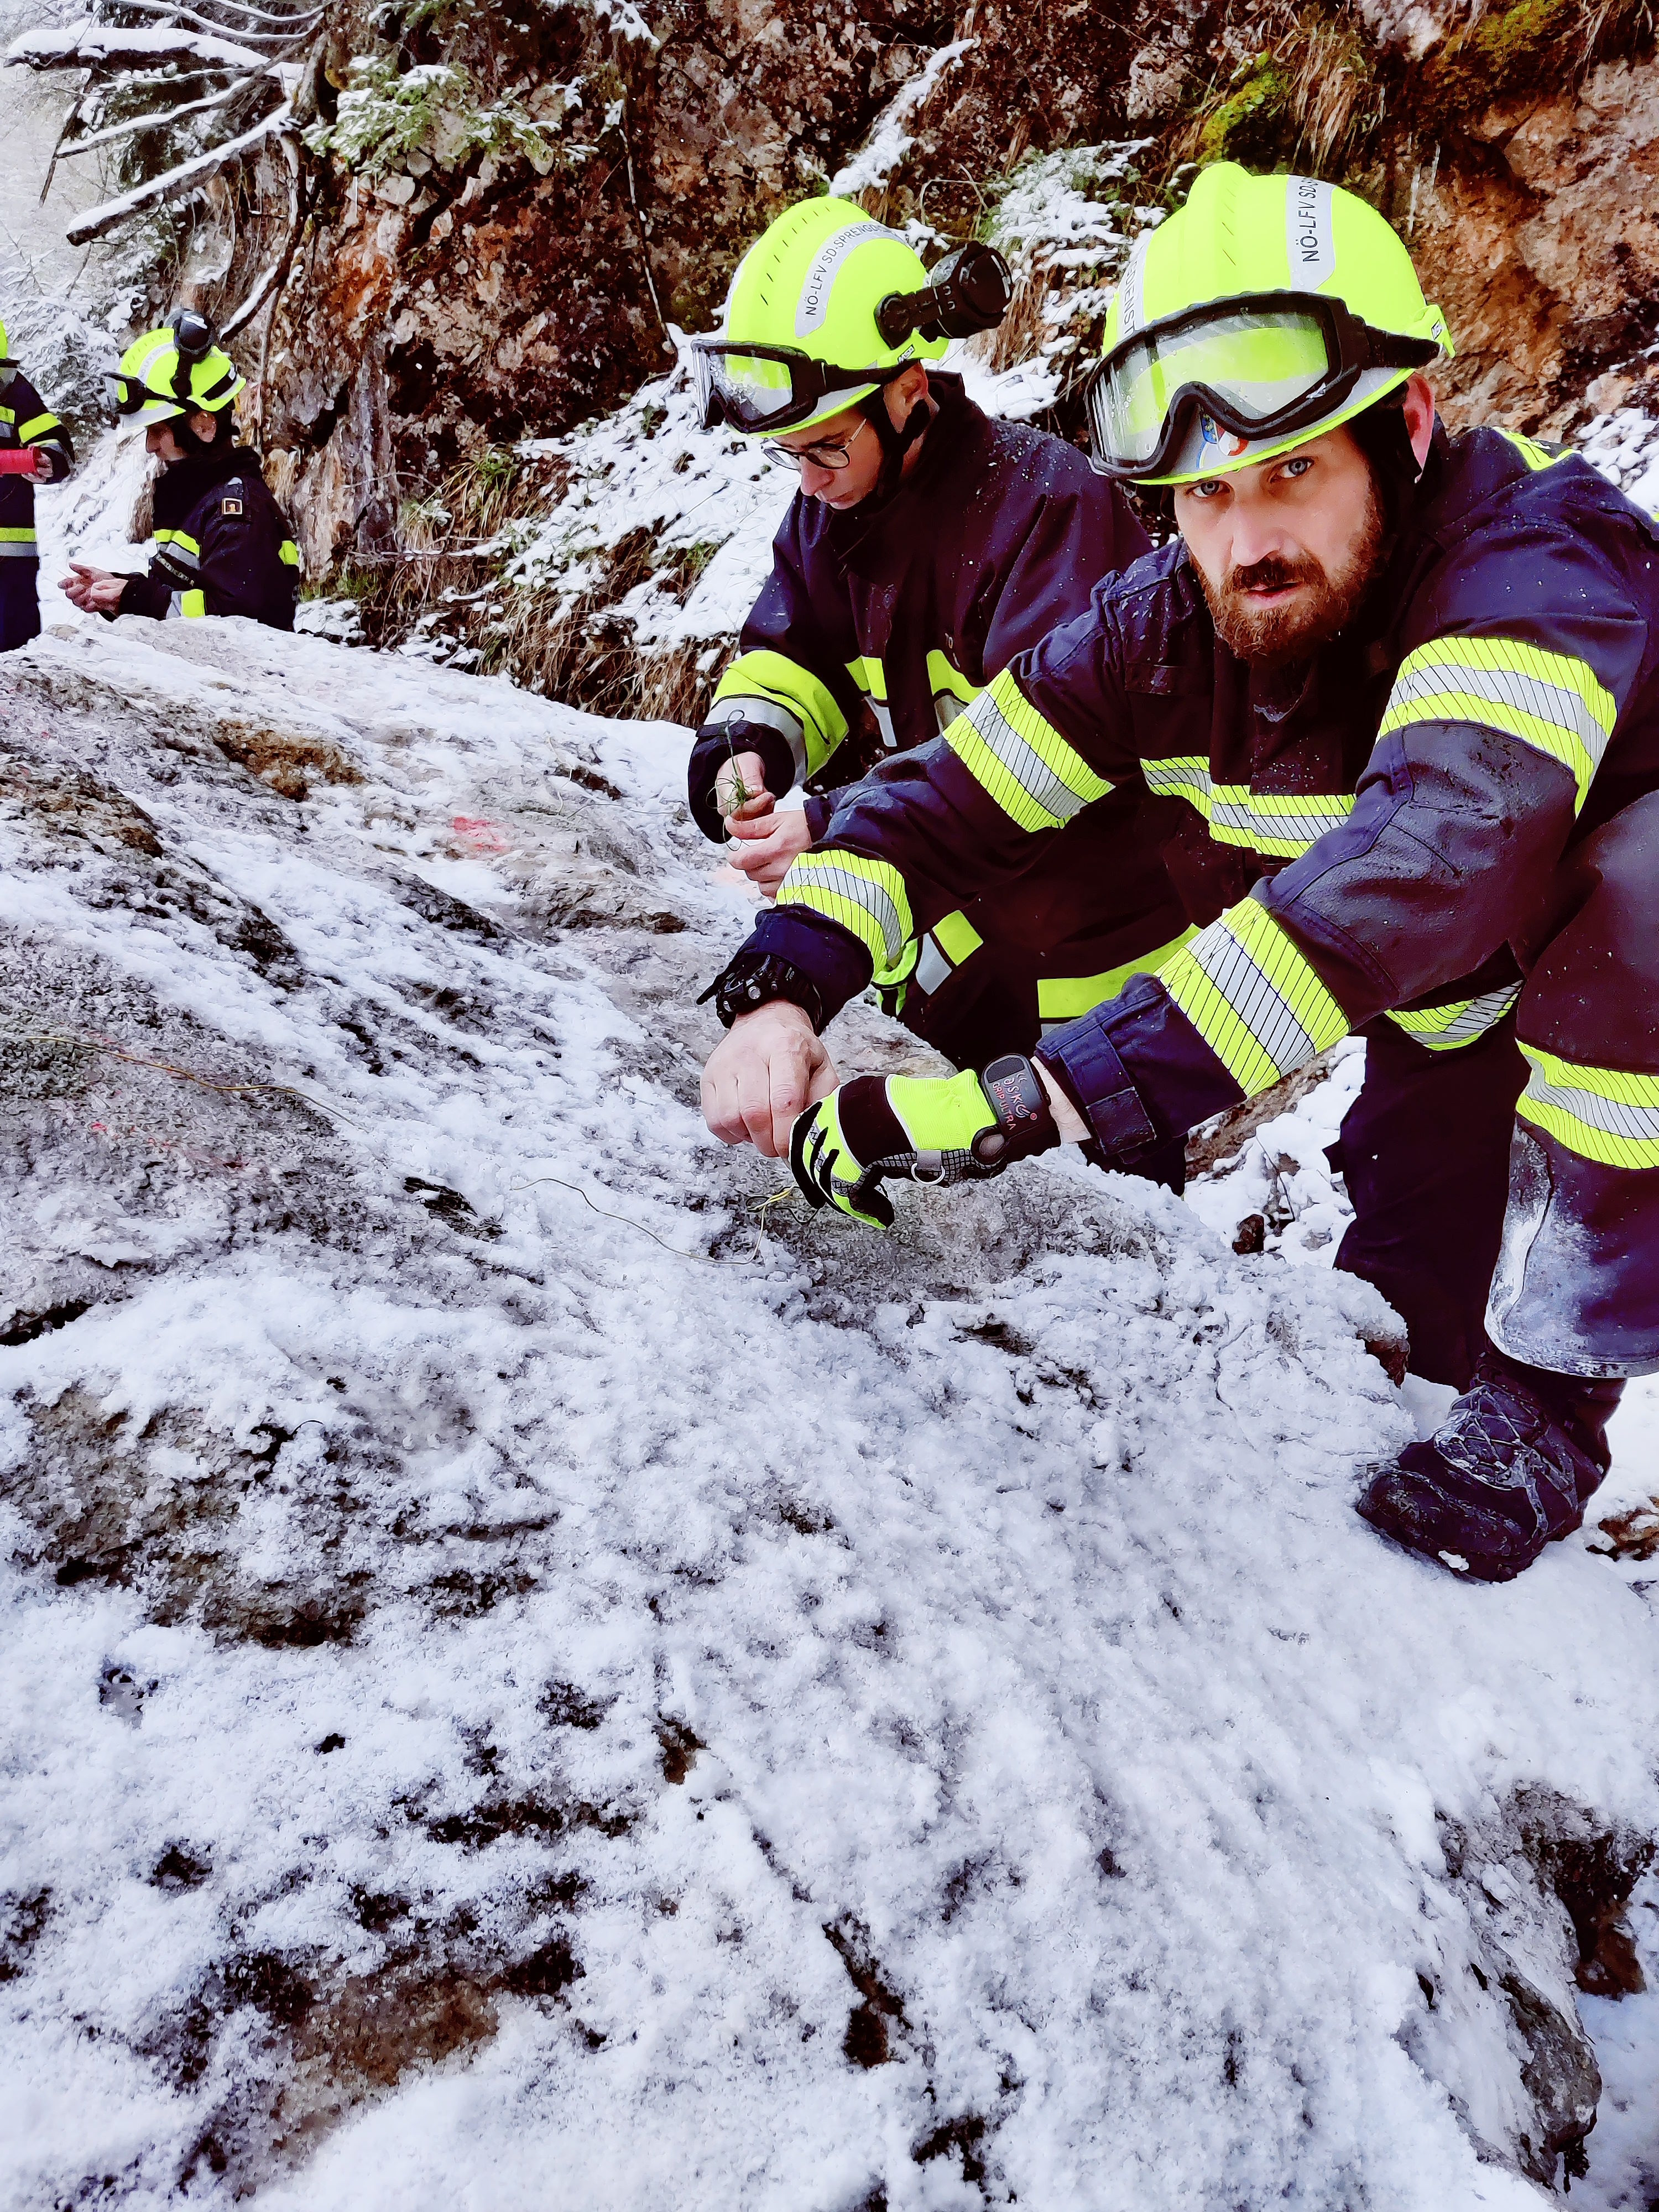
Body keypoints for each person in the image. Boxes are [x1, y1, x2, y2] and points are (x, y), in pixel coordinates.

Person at [700, 162, 1659, 1584]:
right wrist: (785, 986)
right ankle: (1478, 1383)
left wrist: (1030, 1097)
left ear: (1404, 425)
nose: (1245, 539)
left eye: (1292, 470)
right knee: (1402, 1341)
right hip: (1445, 1022)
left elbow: (1422, 866)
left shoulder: (1532, 558)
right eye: (1201, 493)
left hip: (1590, 1008)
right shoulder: (1164, 626)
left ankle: (1556, 1407)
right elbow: (942, 803)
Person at [688, 198, 1192, 1146]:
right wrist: (747, 744)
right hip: (950, 917)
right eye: (789, 453)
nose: (809, 479)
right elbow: (795, 654)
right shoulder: (831, 517)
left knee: (1109, 1211)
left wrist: (832, 825)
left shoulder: (1048, 509)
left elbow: (1034, 756)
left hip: (1090, 944)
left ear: (910, 388)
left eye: (828, 445)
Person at [60, 312, 299, 630]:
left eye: (158, 429)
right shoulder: (201, 499)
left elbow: (236, 621)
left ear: (204, 425)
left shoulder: (237, 512)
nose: (150, 446)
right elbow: (185, 593)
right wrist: (118, 590)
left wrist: (134, 598)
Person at [0, 315, 74, 652]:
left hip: (8, 570)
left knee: (17, 670)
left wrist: (48, 459)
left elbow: (56, 443)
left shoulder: (12, 389)